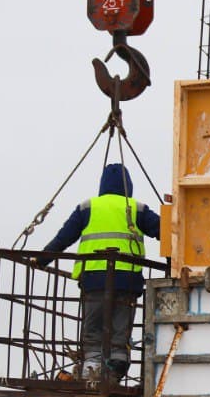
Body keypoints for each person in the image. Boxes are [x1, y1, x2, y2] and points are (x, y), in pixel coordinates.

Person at [42, 163, 160, 381]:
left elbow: (63, 238)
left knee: (94, 326)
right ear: (129, 186)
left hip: (94, 279)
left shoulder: (87, 208)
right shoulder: (137, 208)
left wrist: (42, 259)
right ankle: (117, 367)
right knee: (120, 328)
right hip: (127, 282)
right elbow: (165, 231)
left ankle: (91, 369)